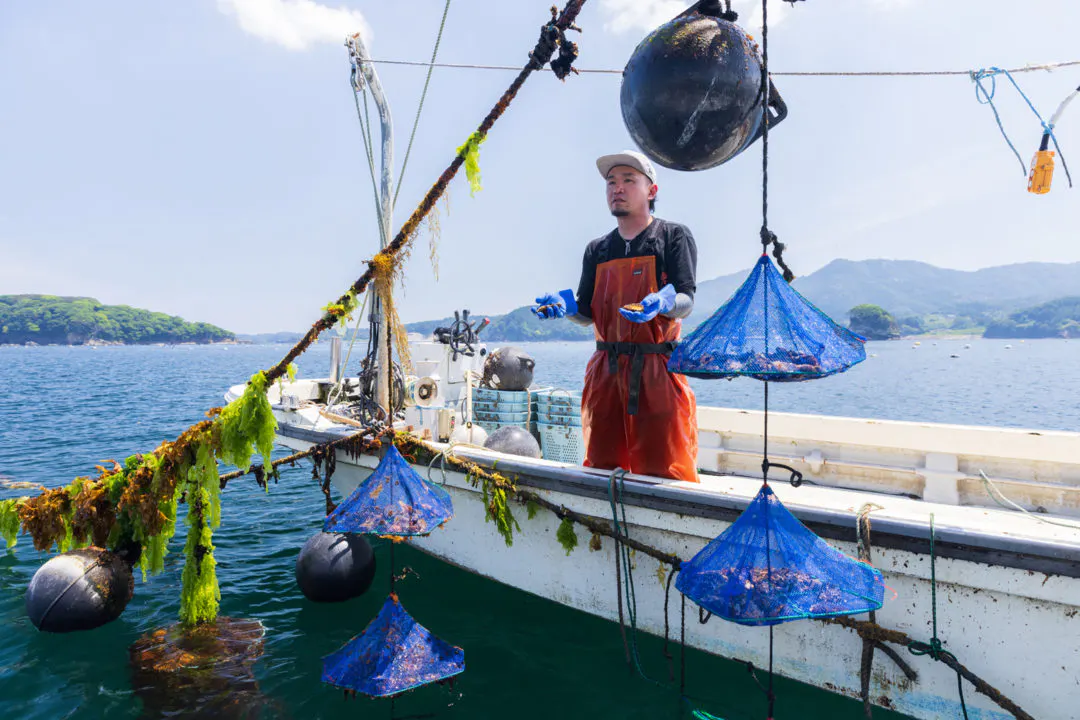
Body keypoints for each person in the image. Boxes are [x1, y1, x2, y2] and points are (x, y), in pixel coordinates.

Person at [533, 151, 699, 482]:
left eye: (628, 180)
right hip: (605, 374)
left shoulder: (672, 236)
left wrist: (663, 304)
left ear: (651, 191)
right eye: (611, 182)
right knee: (602, 468)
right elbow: (587, 311)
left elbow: (686, 300)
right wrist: (567, 308)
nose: (617, 188)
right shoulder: (597, 249)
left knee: (665, 469)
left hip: (656, 371)